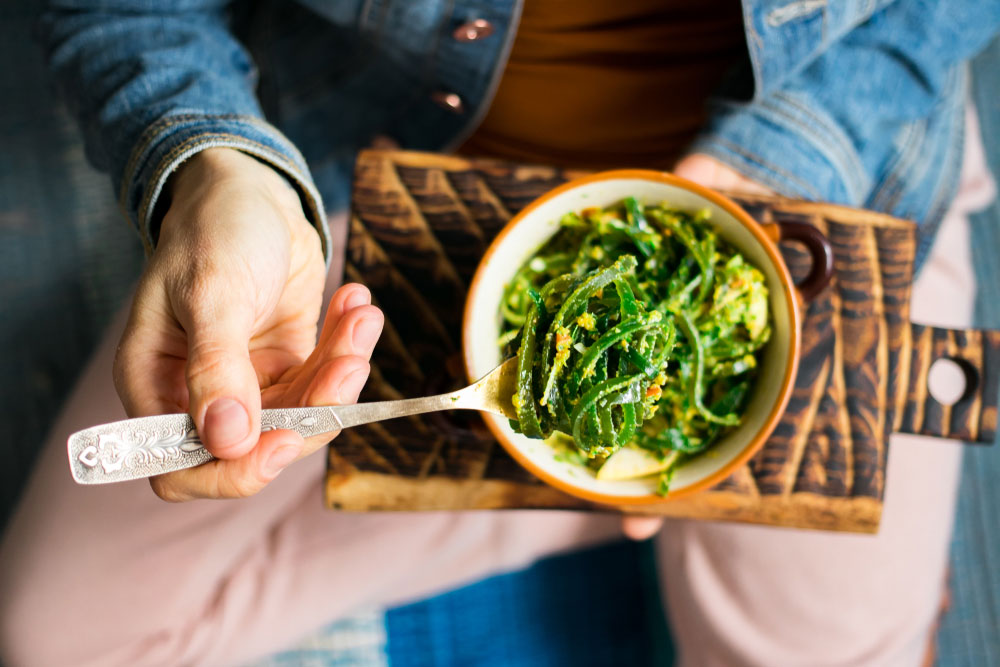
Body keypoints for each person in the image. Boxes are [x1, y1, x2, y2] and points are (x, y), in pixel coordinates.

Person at [1, 1, 998, 664]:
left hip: (810, 192)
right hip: (387, 177)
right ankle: (580, 482)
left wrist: (788, 155)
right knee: (57, 637)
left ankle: (558, 477)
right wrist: (210, 160)